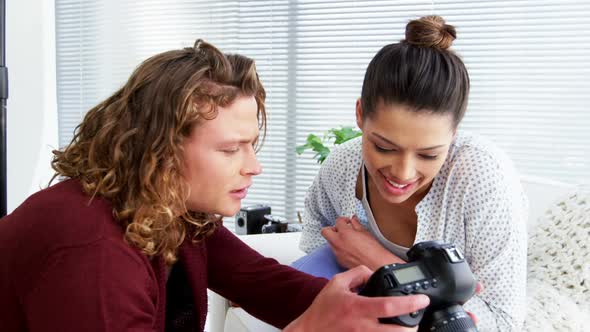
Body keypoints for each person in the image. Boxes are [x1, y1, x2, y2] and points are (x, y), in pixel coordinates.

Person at [0, 39, 431, 332]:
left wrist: (380, 310)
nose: (254, 167)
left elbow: (263, 282)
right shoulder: (90, 251)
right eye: (231, 150)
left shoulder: (167, 210)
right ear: (160, 150)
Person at [297, 15, 528, 331]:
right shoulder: (343, 165)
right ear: (360, 114)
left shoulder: (482, 177)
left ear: (454, 134)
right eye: (384, 147)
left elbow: (503, 319)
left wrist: (380, 265)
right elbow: (314, 224)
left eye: (428, 154)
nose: (402, 173)